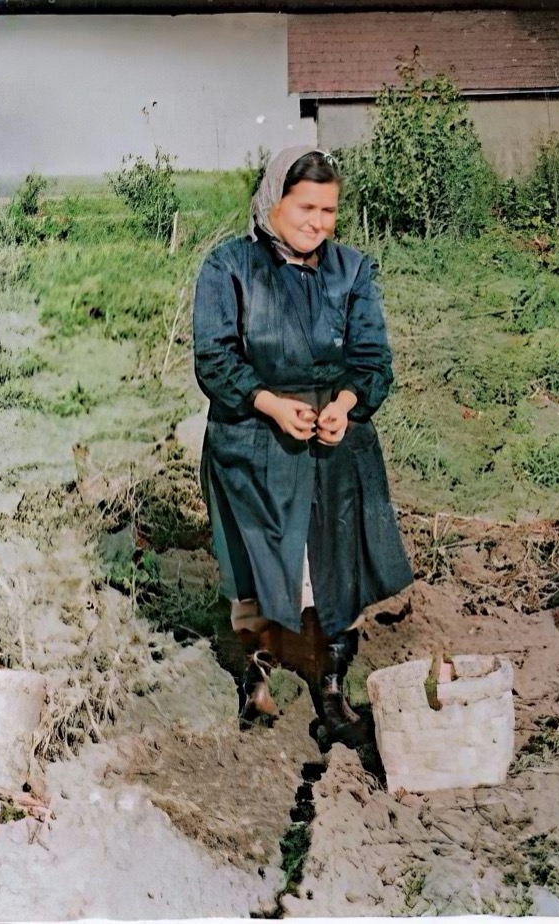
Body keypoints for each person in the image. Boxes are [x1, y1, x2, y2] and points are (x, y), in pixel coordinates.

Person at [192, 145, 413, 743]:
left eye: (329, 210)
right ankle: (256, 678)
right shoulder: (229, 268)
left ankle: (333, 686)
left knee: (336, 564)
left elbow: (373, 358)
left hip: (333, 442)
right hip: (252, 438)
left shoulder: (352, 271)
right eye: (305, 208)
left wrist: (345, 404)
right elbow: (214, 358)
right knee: (258, 565)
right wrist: (268, 402)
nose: (318, 223)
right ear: (273, 202)